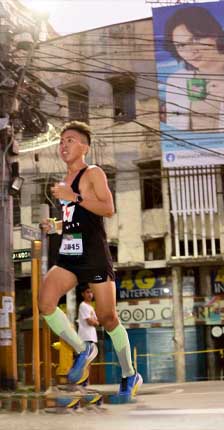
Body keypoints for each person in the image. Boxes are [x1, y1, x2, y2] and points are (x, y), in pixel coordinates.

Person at [39, 121, 142, 397]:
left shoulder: (93, 172)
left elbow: (107, 208)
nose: (63, 145)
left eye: (70, 140)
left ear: (84, 147)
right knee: (46, 302)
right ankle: (83, 348)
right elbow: (76, 218)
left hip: (94, 251)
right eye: (61, 141)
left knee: (108, 317)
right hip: (71, 251)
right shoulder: (64, 181)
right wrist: (56, 226)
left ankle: (129, 374)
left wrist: (73, 196)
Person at [163, 6, 224, 132]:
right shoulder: (175, 81)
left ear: (214, 34)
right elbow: (174, 131)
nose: (191, 51)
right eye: (181, 45)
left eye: (195, 39)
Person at [77, 284, 99, 385]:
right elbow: (90, 322)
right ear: (83, 294)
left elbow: (96, 321)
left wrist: (96, 322)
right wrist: (96, 322)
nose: (90, 294)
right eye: (87, 292)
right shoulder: (83, 306)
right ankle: (83, 382)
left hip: (91, 337)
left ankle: (85, 382)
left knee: (89, 361)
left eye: (91, 292)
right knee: (85, 361)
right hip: (85, 337)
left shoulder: (90, 307)